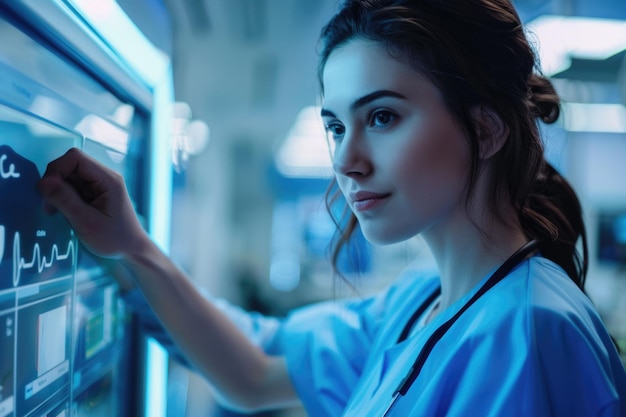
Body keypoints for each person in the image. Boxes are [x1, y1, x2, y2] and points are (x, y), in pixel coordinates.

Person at [37, 0, 626, 415]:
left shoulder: (529, 335)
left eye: (383, 117)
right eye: (336, 126)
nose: (347, 160)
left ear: (487, 128)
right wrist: (132, 248)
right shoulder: (420, 304)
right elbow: (257, 369)